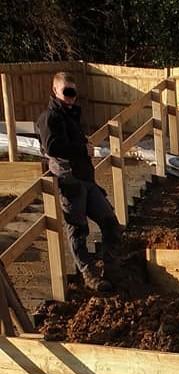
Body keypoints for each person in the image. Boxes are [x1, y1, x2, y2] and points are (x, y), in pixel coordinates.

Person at [37, 71, 121, 292]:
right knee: (78, 230)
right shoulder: (50, 118)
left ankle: (110, 267)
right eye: (66, 91)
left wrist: (84, 148)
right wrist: (80, 149)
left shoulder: (71, 115)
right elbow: (52, 147)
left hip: (86, 178)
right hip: (69, 181)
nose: (71, 96)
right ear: (55, 91)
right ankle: (89, 274)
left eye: (73, 92)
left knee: (110, 222)